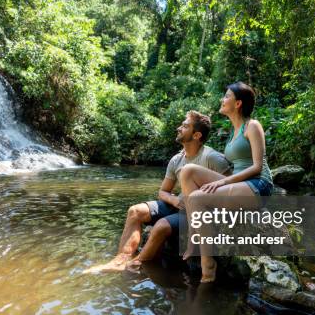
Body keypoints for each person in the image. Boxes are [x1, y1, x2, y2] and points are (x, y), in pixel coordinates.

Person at [84, 111, 232, 273]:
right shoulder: (177, 159)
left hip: (199, 213)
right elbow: (163, 192)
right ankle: (120, 260)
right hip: (179, 204)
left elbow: (232, 189)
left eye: (184, 126)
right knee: (135, 211)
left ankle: (135, 264)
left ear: (196, 135)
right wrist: (175, 201)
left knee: (161, 226)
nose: (178, 128)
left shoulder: (213, 158)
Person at [180, 82, 274, 283]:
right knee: (187, 171)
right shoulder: (233, 132)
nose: (222, 100)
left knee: (197, 199)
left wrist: (223, 183)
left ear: (238, 103)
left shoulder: (252, 126)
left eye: (226, 96)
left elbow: (257, 167)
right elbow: (231, 163)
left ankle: (208, 266)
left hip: (258, 185)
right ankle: (193, 234)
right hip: (239, 183)